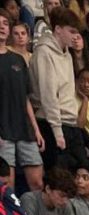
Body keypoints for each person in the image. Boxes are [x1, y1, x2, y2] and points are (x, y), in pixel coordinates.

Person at [30, 6, 89, 170]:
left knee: (84, 172)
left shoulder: (68, 55)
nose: (75, 36)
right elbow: (48, 94)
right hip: (51, 124)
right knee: (59, 179)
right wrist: (57, 132)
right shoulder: (44, 53)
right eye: (71, 31)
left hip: (71, 123)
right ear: (57, 30)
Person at [0, 12, 44, 191]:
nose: (2, 26)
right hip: (3, 131)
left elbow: (25, 97)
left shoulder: (18, 59)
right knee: (6, 188)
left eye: (4, 23)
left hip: (25, 129)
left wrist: (36, 129)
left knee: (37, 184)